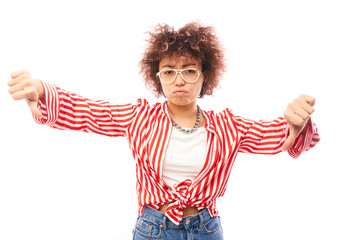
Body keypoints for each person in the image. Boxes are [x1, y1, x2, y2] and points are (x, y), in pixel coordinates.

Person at [7, 21, 320, 240]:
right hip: (153, 229)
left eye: (189, 70)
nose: (179, 79)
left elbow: (278, 137)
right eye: (169, 72)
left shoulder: (228, 126)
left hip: (206, 230)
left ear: (203, 76)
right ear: (158, 78)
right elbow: (89, 112)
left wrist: (297, 121)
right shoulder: (140, 117)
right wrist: (42, 91)